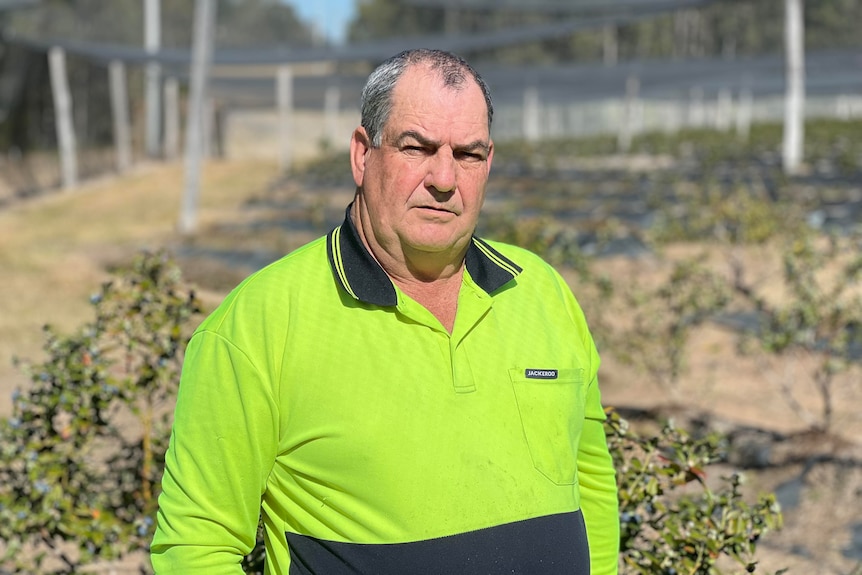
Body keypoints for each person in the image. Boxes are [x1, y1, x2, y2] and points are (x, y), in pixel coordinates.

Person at [151, 48, 619, 575]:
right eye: (416, 147)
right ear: (362, 154)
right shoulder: (258, 324)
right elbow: (196, 547)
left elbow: (591, 486)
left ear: (488, 163)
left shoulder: (543, 293)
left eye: (467, 154)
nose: (444, 178)